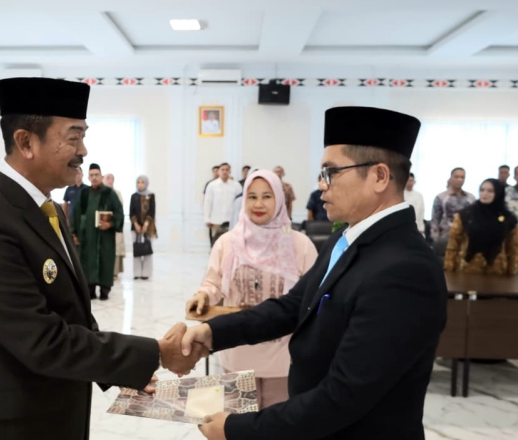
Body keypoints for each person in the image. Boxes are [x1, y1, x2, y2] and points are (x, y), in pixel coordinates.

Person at [0, 77, 205, 440]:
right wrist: (154, 353)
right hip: (11, 424)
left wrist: (123, 370)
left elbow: (71, 314)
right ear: (26, 142)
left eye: (83, 136)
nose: (84, 150)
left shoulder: (45, 207)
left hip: (55, 413)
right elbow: (42, 340)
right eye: (73, 138)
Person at [182, 106, 447, 440]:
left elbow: (343, 396)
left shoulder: (406, 270)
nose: (321, 185)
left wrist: (236, 428)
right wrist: (212, 333)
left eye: (330, 172)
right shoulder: (345, 238)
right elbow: (294, 306)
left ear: (379, 176)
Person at [186, 170, 317, 409]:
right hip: (238, 350)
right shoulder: (228, 242)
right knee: (239, 421)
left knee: (278, 423)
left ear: (279, 199)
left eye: (267, 196)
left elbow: (314, 296)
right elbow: (214, 283)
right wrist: (203, 295)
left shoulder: (299, 245)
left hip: (283, 355)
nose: (258, 204)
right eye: (252, 196)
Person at [444, 178, 518, 275]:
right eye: (482, 190)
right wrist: (448, 271)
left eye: (490, 191)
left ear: (498, 193)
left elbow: (513, 248)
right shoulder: (466, 215)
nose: (484, 194)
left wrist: (512, 272)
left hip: (498, 272)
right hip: (467, 270)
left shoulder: (508, 218)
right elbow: (453, 244)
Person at [71, 164, 123, 300]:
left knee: (105, 261)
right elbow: (75, 214)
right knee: (87, 263)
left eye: (96, 175)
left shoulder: (109, 193)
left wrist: (110, 223)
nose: (94, 178)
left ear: (101, 176)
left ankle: (105, 290)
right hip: (87, 238)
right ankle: (90, 289)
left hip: (105, 238)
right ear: (88, 178)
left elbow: (119, 212)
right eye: (92, 175)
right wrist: (73, 233)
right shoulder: (83, 194)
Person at [431, 167, 475, 242]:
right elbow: (435, 220)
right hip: (446, 236)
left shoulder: (471, 198)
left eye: (462, 177)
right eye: (456, 177)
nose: (459, 180)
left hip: (465, 237)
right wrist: (436, 239)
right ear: (451, 178)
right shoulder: (441, 197)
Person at [204, 163, 242, 246]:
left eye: (227, 170)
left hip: (231, 220)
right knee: (216, 243)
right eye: (222, 170)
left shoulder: (236, 185)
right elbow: (208, 202)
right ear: (219, 171)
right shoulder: (212, 185)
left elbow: (240, 203)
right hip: (216, 220)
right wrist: (207, 218)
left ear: (230, 171)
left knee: (230, 244)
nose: (225, 172)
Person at [130, 175, 157, 280]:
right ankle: (137, 273)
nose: (140, 184)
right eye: (138, 182)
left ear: (146, 183)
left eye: (142, 182)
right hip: (135, 227)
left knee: (147, 249)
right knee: (137, 249)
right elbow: (131, 212)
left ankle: (146, 273)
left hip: (148, 227)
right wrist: (136, 224)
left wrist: (146, 224)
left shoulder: (151, 196)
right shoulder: (134, 196)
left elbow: (152, 211)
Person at [103, 173, 126, 280]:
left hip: (114, 223)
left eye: (112, 178)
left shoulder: (117, 193)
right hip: (103, 224)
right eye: (108, 178)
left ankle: (115, 272)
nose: (110, 180)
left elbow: (119, 208)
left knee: (116, 248)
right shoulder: (100, 193)